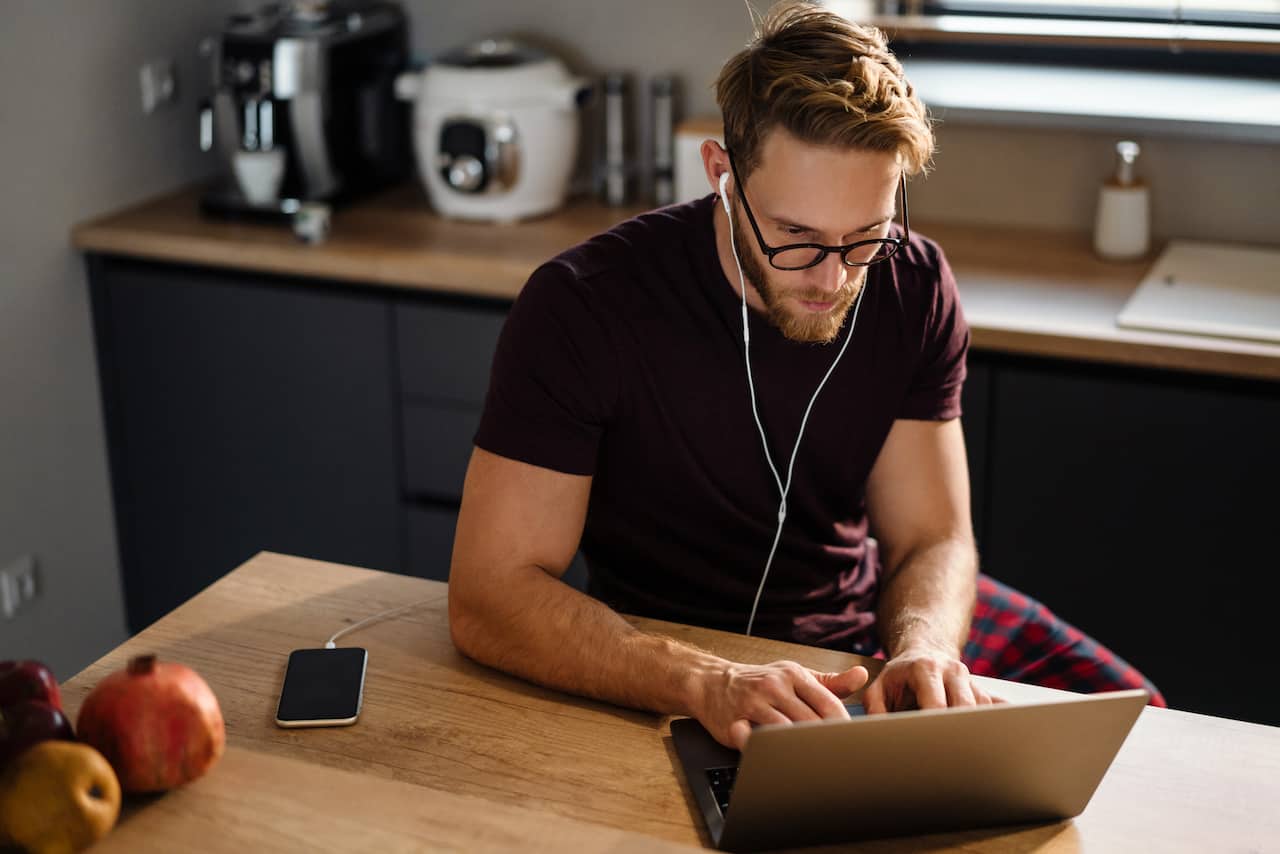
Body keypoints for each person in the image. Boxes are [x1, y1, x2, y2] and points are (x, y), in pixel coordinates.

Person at [448, 1, 1162, 751]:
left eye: (865, 237)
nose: (832, 277)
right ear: (720, 172)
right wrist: (703, 679)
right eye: (796, 237)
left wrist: (925, 646)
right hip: (666, 659)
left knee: (1143, 734)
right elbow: (489, 594)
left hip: (864, 646)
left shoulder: (913, 287)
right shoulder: (583, 306)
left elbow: (932, 536)